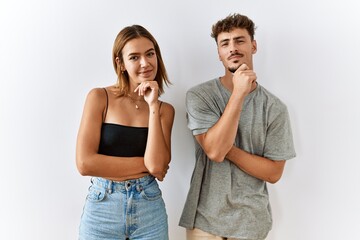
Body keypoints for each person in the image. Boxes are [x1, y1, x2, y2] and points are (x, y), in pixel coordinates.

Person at [179, 13, 296, 240]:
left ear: (253, 46)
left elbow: (273, 173)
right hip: (204, 220)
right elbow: (214, 151)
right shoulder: (200, 96)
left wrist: (225, 149)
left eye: (239, 40)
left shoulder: (275, 108)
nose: (232, 48)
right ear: (219, 53)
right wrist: (239, 94)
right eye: (225, 43)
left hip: (251, 222)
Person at [76, 24, 175, 240]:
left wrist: (153, 106)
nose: (145, 63)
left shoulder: (164, 111)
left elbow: (158, 168)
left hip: (149, 207)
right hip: (103, 208)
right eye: (134, 57)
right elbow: (85, 164)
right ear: (120, 63)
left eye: (150, 54)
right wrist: (145, 165)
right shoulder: (99, 98)